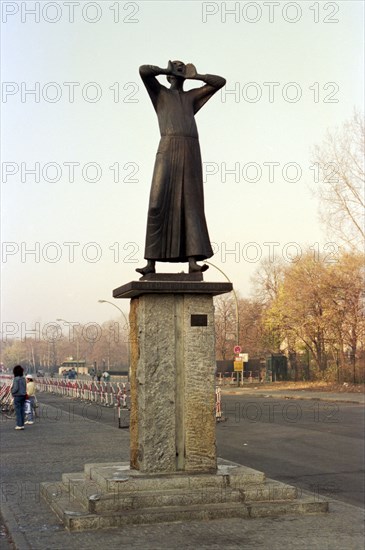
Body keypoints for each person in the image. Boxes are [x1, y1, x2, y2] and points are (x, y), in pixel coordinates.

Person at [136, 60, 226, 275]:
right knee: (157, 203)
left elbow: (220, 82)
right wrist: (166, 70)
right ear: (168, 75)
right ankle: (151, 262)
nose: (177, 70)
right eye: (175, 68)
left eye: (180, 67)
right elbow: (143, 71)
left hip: (190, 149)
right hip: (168, 147)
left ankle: (193, 260)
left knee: (191, 203)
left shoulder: (191, 97)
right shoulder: (159, 94)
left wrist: (196, 76)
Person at [11, 365, 27, 430]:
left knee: (18, 411)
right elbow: (25, 386)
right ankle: (22, 425)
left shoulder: (16, 379)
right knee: (22, 410)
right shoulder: (23, 378)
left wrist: (12, 391)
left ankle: (19, 425)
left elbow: (16, 388)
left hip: (17, 396)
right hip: (23, 395)